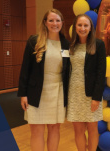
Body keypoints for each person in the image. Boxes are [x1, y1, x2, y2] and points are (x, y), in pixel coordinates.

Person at [17, 9, 70, 151]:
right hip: (36, 92)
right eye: (51, 20)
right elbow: (25, 69)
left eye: (58, 20)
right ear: (45, 23)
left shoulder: (66, 44)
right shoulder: (34, 41)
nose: (55, 23)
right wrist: (23, 94)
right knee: (37, 130)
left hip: (57, 91)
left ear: (62, 23)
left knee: (54, 128)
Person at [67, 14, 106, 151]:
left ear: (90, 28)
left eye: (85, 25)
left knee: (92, 128)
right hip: (74, 94)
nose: (82, 28)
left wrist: (96, 97)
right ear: (75, 27)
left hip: (91, 94)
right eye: (79, 25)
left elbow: (101, 73)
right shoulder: (70, 46)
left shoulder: (98, 45)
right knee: (78, 130)